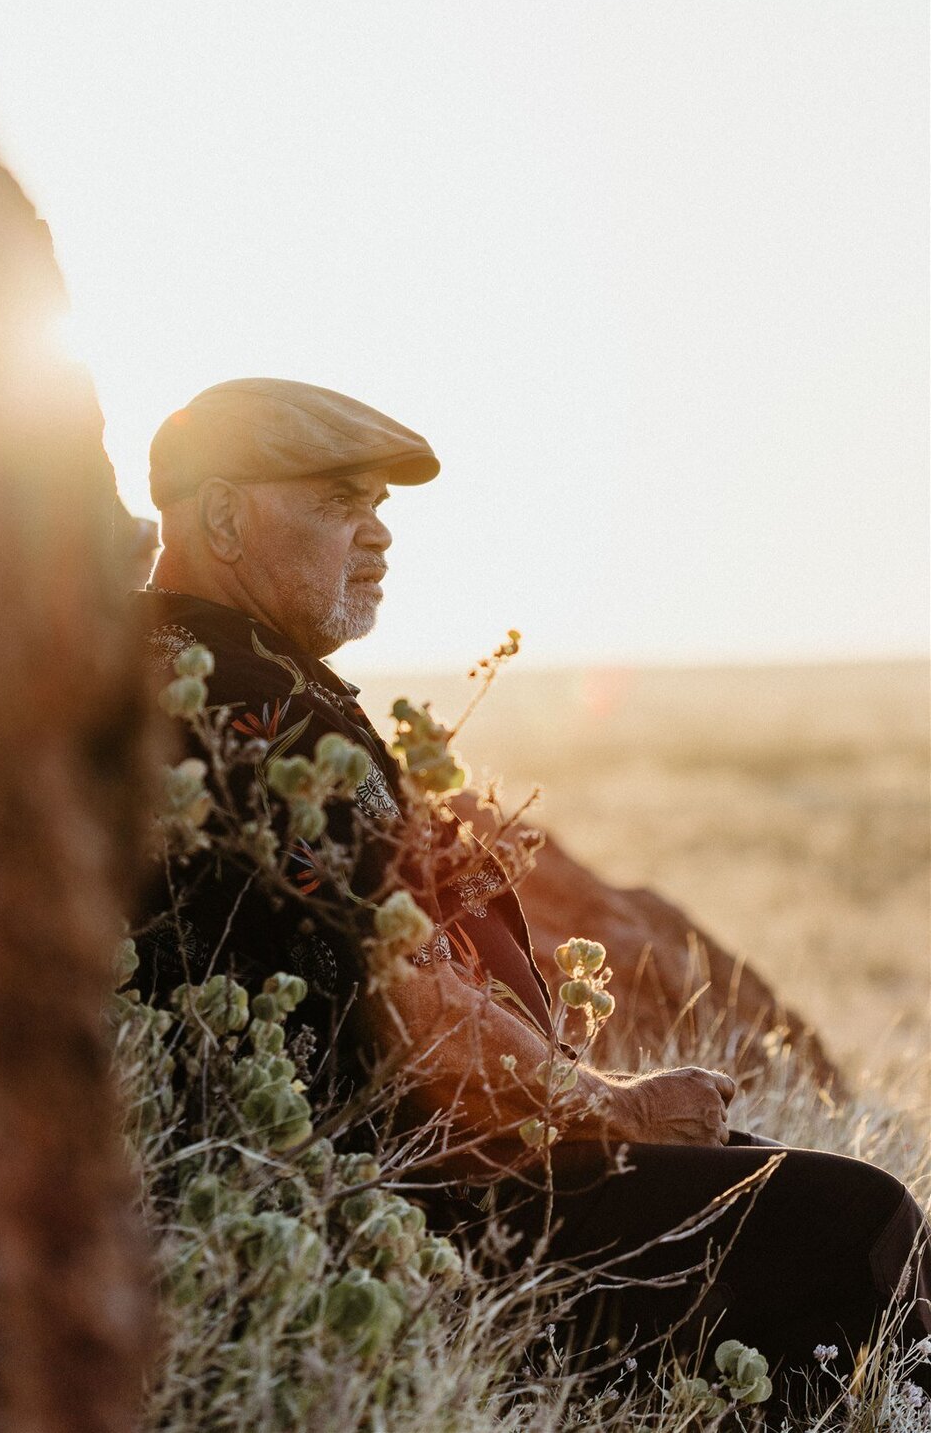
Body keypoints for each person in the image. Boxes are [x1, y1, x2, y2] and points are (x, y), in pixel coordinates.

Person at [129, 375, 930, 1395]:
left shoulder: (171, 662)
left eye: (377, 504)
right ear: (227, 515)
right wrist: (607, 1102)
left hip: (325, 1182)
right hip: (390, 1209)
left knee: (767, 1171)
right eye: (336, 500)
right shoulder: (247, 706)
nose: (374, 533)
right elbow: (402, 999)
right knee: (850, 1218)